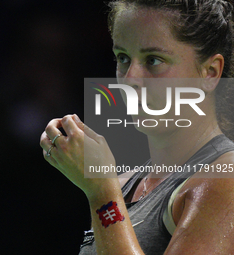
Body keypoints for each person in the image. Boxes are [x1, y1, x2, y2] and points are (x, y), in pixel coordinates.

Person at [40, 0, 234, 254]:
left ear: (210, 72)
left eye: (153, 60)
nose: (129, 79)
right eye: (123, 58)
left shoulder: (225, 180)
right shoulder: (125, 182)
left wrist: (102, 193)